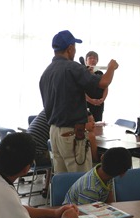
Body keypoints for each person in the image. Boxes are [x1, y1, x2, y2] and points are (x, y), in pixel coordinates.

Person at [40, 30, 119, 174]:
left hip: (54, 132)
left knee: (62, 178)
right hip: (72, 134)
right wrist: (111, 68)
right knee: (80, 180)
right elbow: (102, 84)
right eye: (74, 47)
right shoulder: (72, 67)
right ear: (70, 48)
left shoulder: (47, 72)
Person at [63, 147, 132, 205]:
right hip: (74, 214)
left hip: (94, 210)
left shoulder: (104, 173)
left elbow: (110, 203)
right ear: (122, 173)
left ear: (102, 157)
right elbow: (84, 214)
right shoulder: (90, 189)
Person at [27, 109, 51, 198]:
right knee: (60, 156)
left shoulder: (46, 111)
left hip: (29, 155)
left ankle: (47, 188)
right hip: (37, 157)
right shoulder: (57, 114)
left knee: (53, 153)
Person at [85, 51, 108, 122]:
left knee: (98, 124)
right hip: (86, 104)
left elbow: (106, 87)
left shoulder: (100, 73)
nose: (92, 60)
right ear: (86, 61)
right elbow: (80, 90)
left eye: (95, 58)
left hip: (99, 105)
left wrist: (102, 99)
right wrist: (91, 100)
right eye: (90, 58)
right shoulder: (83, 72)